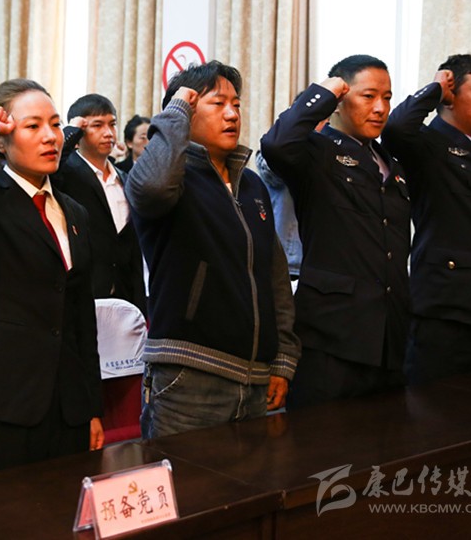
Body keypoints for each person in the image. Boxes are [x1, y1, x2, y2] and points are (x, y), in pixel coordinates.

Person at [0, 79, 103, 478]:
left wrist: (92, 407)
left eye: (55, 124)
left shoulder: (74, 212)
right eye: (33, 126)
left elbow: (82, 317)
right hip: (2, 402)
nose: (50, 137)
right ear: (1, 139)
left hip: (67, 406)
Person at [125, 60, 300, 439]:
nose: (232, 114)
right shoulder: (172, 179)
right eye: (218, 104)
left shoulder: (252, 185)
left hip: (255, 379)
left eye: (236, 104)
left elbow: (274, 277)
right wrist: (176, 110)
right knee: (186, 477)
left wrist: (283, 359)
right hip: (189, 377)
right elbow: (151, 188)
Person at [260, 55, 410, 407]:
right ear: (339, 101)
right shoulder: (317, 152)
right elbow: (277, 144)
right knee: (325, 438)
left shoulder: (390, 163)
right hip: (333, 336)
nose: (380, 108)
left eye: (387, 98)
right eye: (368, 96)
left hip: (389, 337)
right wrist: (325, 91)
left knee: (389, 435)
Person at [382, 54, 471, 384]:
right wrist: (435, 89)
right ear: (451, 96)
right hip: (443, 312)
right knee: (434, 408)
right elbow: (396, 128)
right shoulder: (430, 145)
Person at [54, 94, 147, 315]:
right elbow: (53, 167)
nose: (108, 133)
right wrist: (71, 131)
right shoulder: (67, 172)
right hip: (83, 292)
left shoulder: (125, 178)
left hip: (125, 294)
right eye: (97, 125)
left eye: (112, 124)